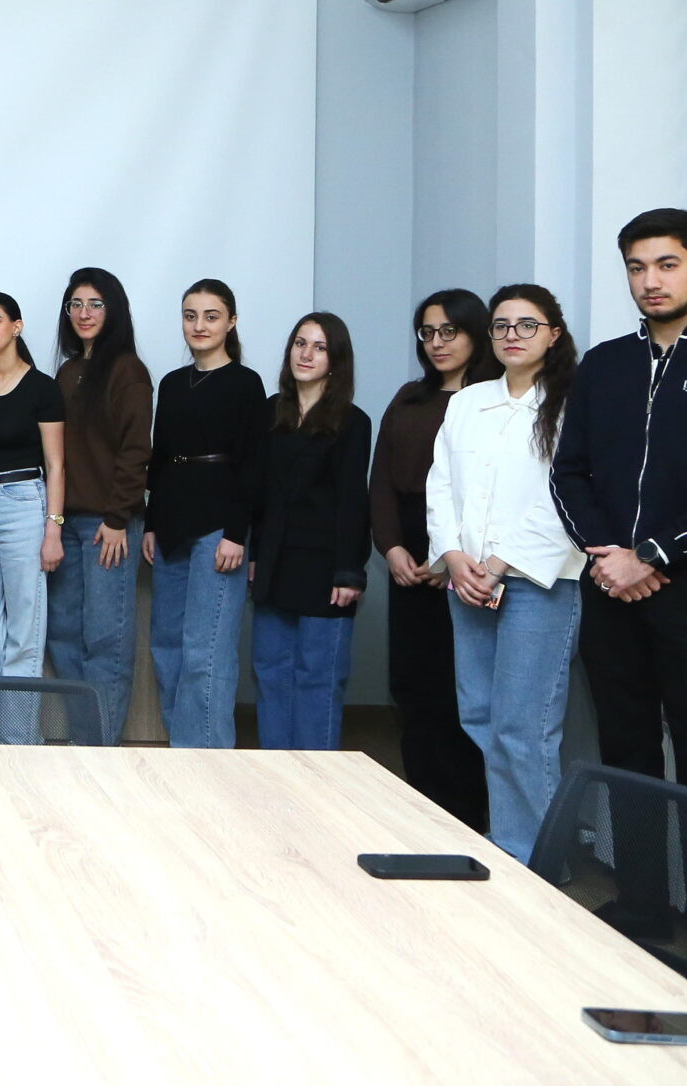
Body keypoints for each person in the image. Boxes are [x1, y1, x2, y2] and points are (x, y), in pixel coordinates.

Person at [552, 208, 687, 993]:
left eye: (668, 263)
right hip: (612, 591)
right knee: (628, 756)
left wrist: (650, 554)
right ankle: (643, 910)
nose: (651, 280)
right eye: (637, 266)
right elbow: (569, 471)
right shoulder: (605, 365)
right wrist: (610, 556)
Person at [427, 285, 582, 863]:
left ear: (554, 334)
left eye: (527, 324)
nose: (512, 335)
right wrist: (452, 555)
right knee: (481, 716)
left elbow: (565, 498)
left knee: (524, 727)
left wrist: (497, 564)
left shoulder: (571, 404)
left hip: (537, 583)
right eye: (501, 325)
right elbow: (440, 485)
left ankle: (533, 862)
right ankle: (512, 842)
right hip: (467, 581)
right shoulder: (468, 402)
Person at [368, 288, 497, 828]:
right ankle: (420, 806)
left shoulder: (492, 398)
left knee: (460, 689)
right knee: (412, 685)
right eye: (427, 332)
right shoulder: (409, 397)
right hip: (407, 554)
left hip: (467, 563)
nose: (437, 343)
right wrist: (393, 548)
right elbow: (381, 480)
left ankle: (465, 814)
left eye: (449, 331)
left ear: (475, 333)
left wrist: (448, 556)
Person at [144, 279, 266, 749]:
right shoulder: (172, 383)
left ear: (231, 322)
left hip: (219, 529)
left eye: (211, 316)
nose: (199, 325)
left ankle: (210, 760)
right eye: (190, 315)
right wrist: (151, 524)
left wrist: (236, 533)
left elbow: (253, 465)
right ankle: (183, 752)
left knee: (206, 650)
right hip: (171, 524)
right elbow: (159, 458)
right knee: (167, 645)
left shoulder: (246, 383)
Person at [248, 313, 373, 750]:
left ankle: (315, 780)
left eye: (319, 347)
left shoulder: (353, 421)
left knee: (317, 677)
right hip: (274, 563)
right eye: (300, 343)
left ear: (336, 360)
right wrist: (255, 555)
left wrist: (349, 571)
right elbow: (260, 493)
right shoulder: (270, 411)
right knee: (270, 673)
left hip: (326, 568)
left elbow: (353, 501)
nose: (306, 354)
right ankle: (275, 776)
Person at [47, 268, 153, 742]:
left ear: (114, 311)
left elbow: (136, 449)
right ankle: (82, 739)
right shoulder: (67, 372)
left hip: (109, 526)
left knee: (106, 639)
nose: (84, 313)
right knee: (63, 634)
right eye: (75, 304)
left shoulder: (127, 370)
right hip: (66, 523)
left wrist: (117, 517)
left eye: (95, 304)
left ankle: (100, 747)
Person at [0, 293, 66, 742]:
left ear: (16, 326)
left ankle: (16, 744)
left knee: (25, 629)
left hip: (22, 502)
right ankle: (18, 736)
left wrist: (53, 529)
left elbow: (56, 464)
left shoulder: (43, 388)